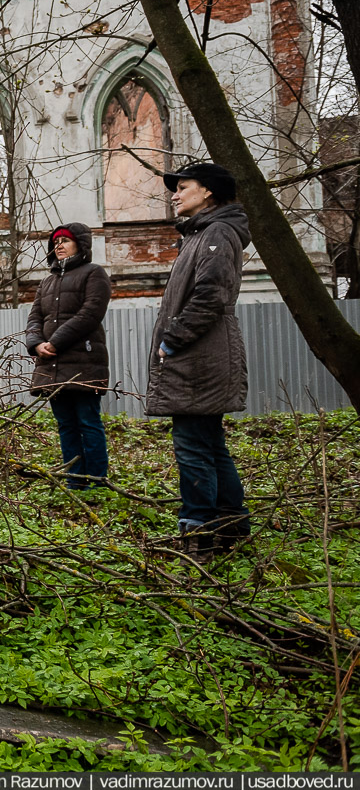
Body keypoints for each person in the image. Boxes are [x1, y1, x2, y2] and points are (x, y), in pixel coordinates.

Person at [146, 162, 253, 561]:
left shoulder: (217, 233)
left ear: (208, 191)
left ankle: (199, 535)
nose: (175, 195)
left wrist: (173, 340)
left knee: (192, 446)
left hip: (200, 359)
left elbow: (211, 295)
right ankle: (231, 529)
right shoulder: (200, 234)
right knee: (209, 444)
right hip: (201, 357)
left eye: (183, 187)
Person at [24, 223, 111, 489]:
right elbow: (35, 316)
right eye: (56, 242)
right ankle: (75, 481)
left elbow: (90, 313)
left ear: (80, 244)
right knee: (65, 424)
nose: (59, 245)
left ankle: (96, 482)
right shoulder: (47, 281)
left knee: (88, 422)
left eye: (65, 241)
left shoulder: (94, 273)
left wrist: (55, 342)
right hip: (51, 364)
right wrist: (36, 343)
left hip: (85, 362)